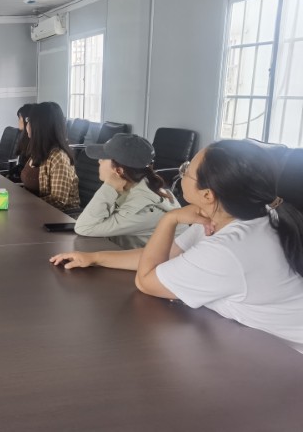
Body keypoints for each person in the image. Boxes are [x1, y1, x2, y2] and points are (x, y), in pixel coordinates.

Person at [49, 140, 303, 353]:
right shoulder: (238, 215)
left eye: (186, 170)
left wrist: (169, 219)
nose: (181, 173)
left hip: (286, 359)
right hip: (255, 343)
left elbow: (146, 280)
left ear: (208, 194)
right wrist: (95, 257)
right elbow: (164, 256)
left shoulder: (228, 248)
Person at [74, 133, 180, 247]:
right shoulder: (138, 185)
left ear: (118, 171)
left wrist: (109, 186)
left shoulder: (143, 207)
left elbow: (84, 227)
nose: (99, 161)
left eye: (104, 158)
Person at [20, 102, 80, 211]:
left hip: (58, 217)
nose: (27, 125)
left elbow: (58, 200)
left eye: (30, 121)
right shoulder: (38, 150)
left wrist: (26, 205)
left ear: (41, 126)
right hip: (35, 211)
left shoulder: (59, 157)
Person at [7, 103, 33, 182]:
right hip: (20, 177)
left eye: (19, 118)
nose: (18, 121)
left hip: (24, 181)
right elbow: (21, 165)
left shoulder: (32, 141)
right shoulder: (23, 137)